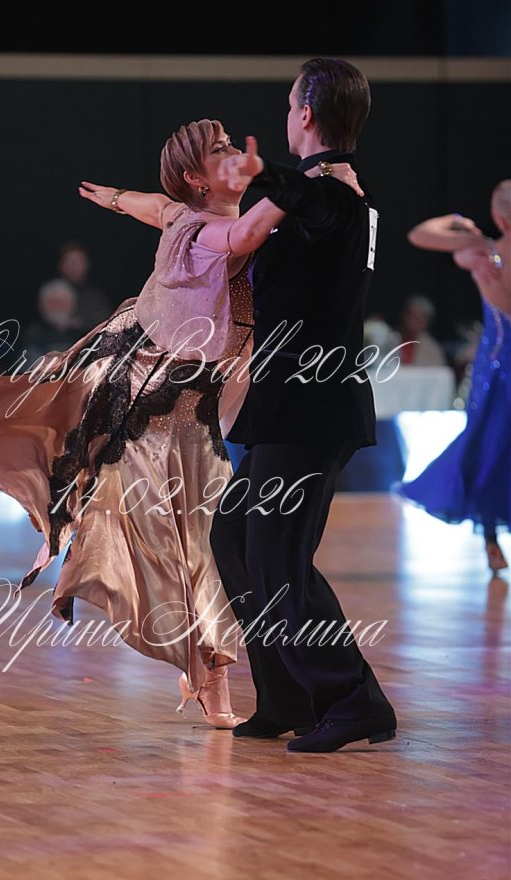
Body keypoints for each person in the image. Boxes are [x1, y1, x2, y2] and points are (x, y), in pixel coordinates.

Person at [0, 119, 360, 731]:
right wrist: (315, 182)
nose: (233, 154)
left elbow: (150, 205)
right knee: (33, 421)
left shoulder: (183, 213)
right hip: (137, 387)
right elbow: (242, 231)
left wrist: (114, 197)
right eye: (219, 150)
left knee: (207, 541)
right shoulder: (204, 227)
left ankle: (212, 675)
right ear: (197, 179)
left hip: (188, 406)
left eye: (230, 145)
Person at [210, 57, 398, 753]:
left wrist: (262, 174)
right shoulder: (325, 192)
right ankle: (287, 694)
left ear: (308, 114)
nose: (287, 115)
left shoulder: (336, 190)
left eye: (291, 105)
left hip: (313, 404)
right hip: (287, 403)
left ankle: (353, 701)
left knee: (278, 557)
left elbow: (318, 205)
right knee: (236, 539)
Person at [396, 180, 511, 574]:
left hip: (495, 367)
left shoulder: (482, 251)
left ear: (498, 216)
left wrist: (458, 220)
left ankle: (491, 538)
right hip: (498, 367)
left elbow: (420, 234)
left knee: (487, 445)